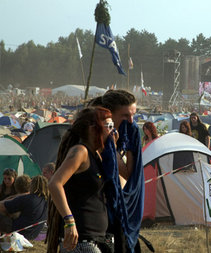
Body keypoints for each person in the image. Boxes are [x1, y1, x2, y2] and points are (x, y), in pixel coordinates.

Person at [46, 107, 115, 253]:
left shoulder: (96, 155)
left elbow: (121, 181)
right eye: (109, 126)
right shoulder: (80, 152)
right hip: (81, 243)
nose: (112, 131)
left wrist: (113, 150)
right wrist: (69, 222)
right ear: (92, 129)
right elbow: (54, 183)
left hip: (95, 240)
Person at [87, 89, 144, 253]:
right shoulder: (92, 138)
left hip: (115, 213)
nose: (131, 121)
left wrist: (131, 146)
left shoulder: (121, 135)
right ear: (110, 114)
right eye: (125, 116)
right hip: (95, 215)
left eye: (133, 115)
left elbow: (128, 173)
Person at [0, 175, 48, 240]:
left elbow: (2, 206)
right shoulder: (46, 201)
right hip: (33, 235)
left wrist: (15, 196)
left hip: (18, 231)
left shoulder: (28, 199)